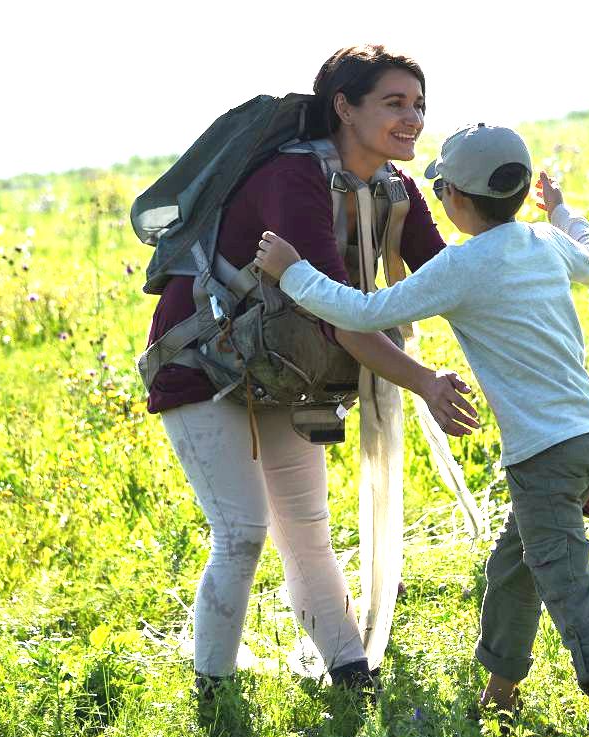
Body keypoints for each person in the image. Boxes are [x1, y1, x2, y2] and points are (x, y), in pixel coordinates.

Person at [253, 124, 589, 737]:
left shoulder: (461, 266)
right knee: (512, 571)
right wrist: (561, 209)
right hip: (585, 441)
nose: (437, 197)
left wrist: (294, 273)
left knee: (569, 594)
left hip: (544, 460)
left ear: (457, 201)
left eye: (438, 188)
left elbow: (361, 313)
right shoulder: (546, 242)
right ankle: (499, 701)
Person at [144, 45, 478, 694]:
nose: (412, 117)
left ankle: (352, 676)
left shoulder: (395, 189)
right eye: (393, 102)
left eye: (419, 104)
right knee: (242, 531)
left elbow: (449, 279)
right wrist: (425, 382)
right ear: (344, 108)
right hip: (203, 365)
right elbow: (333, 313)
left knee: (306, 530)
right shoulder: (292, 180)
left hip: (283, 368)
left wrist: (524, 259)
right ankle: (213, 696)